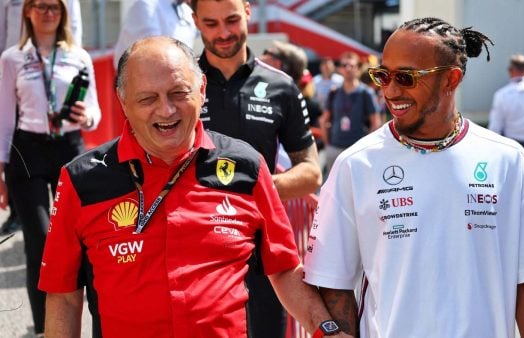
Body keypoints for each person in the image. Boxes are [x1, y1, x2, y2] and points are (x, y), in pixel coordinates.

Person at [38, 36, 350, 338]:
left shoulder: (247, 166)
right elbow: (64, 295)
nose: (166, 110)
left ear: (201, 90)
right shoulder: (81, 180)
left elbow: (283, 268)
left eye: (178, 93)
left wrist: (327, 329)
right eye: (147, 98)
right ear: (123, 101)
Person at [303, 17, 524, 338]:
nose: (390, 90)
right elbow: (334, 283)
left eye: (406, 77)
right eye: (382, 75)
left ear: (451, 80)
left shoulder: (510, 161)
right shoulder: (354, 165)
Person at [191, 1, 321, 337]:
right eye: (211, 23)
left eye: (232, 19)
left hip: (261, 243)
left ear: (248, 11)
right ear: (195, 21)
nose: (223, 33)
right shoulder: (182, 85)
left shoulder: (280, 86)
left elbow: (310, 172)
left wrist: (252, 188)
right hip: (194, 244)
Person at [0, 0, 100, 335]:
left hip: (70, 148)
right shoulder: (13, 57)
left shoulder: (79, 55)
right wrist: (0, 169)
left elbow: (95, 112)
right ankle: (45, 328)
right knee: (39, 240)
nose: (48, 13)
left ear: (64, 12)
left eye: (55, 6)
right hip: (27, 150)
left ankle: (93, 319)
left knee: (83, 239)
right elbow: (4, 119)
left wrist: (85, 115)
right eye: (40, 6)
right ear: (27, 11)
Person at [320, 51, 382, 176]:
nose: (348, 69)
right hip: (335, 148)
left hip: (357, 150)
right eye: (344, 66)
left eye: (352, 66)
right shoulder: (334, 92)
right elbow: (324, 120)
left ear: (358, 69)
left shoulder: (366, 93)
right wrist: (328, 144)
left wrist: (365, 146)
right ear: (339, 69)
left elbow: (375, 123)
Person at [112, 0, 197, 69]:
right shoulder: (146, 5)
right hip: (144, 82)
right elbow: (152, 54)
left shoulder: (186, 10)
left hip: (176, 77)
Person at [1, 0, 82, 52]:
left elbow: (73, 29)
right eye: (41, 7)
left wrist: (72, 57)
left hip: (59, 61)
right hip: (16, 63)